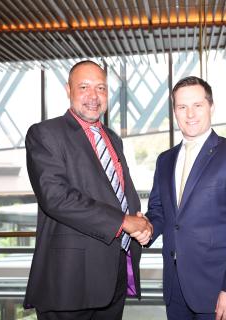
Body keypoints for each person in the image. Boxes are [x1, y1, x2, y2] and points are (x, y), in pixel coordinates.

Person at [23, 60, 153, 320]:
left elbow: (120, 193)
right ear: (68, 89)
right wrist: (122, 222)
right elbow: (56, 198)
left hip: (113, 274)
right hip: (69, 283)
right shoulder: (45, 133)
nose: (94, 96)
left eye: (101, 88)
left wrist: (140, 220)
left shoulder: (112, 138)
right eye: (84, 87)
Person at [145, 76, 226, 320]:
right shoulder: (164, 160)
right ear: (174, 111)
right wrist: (145, 228)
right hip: (175, 289)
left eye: (197, 105)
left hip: (219, 291)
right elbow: (159, 212)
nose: (190, 114)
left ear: (211, 106)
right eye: (182, 107)